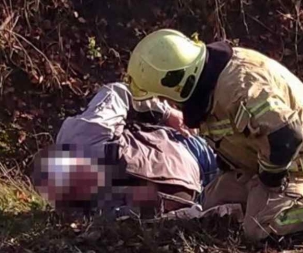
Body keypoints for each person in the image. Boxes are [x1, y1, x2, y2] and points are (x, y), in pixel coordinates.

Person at [125, 29, 303, 241]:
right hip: (260, 158)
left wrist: (269, 181)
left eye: (163, 95)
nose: (166, 102)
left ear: (178, 81)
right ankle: (261, 201)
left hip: (302, 158)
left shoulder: (241, 86)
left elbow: (286, 136)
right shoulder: (208, 83)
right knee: (213, 206)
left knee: (261, 227)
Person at [33, 82, 220, 218]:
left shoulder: (85, 134)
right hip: (203, 190)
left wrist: (167, 113)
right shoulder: (86, 208)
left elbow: (120, 92)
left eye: (74, 175)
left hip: (190, 145)